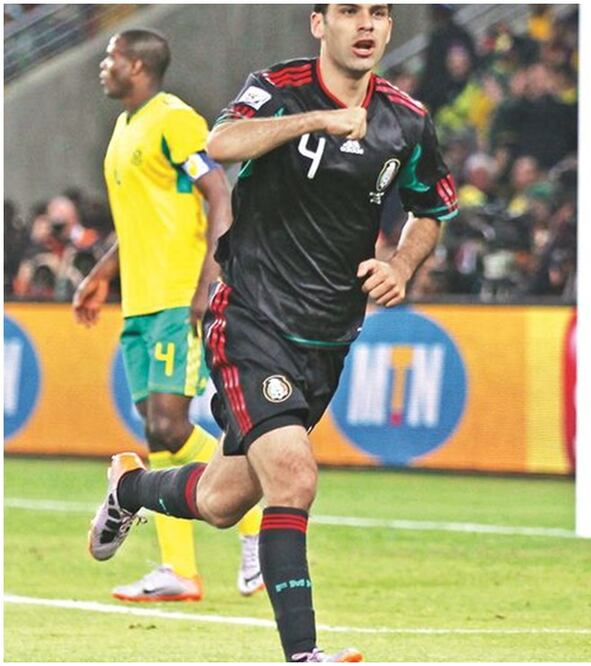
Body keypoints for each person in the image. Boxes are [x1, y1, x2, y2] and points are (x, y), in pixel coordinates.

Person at [87, 4, 456, 662]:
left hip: (327, 335)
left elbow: (430, 209)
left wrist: (400, 263)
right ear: (320, 23)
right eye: (348, 11)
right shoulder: (279, 86)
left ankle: (129, 489)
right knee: (293, 477)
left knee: (226, 499)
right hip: (251, 315)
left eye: (378, 13)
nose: (365, 24)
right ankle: (302, 654)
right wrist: (318, 120)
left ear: (390, 28)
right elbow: (221, 144)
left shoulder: (406, 120)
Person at [74, 28, 264, 602]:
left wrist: (211, 278)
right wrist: (101, 274)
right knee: (163, 435)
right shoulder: (123, 130)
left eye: (110, 59)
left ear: (136, 65)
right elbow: (139, 225)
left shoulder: (174, 119)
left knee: (167, 424)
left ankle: (257, 515)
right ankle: (178, 569)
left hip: (178, 294)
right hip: (140, 303)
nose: (103, 67)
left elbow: (219, 193)